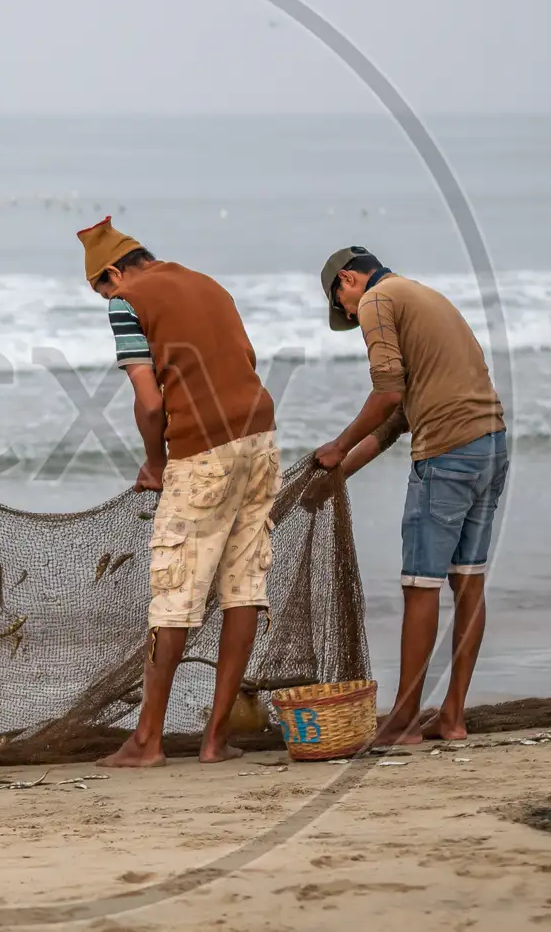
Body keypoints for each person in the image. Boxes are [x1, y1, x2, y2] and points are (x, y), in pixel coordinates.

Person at [79, 216, 280, 767]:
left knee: (174, 591)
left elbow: (149, 403)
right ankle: (214, 740)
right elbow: (245, 363)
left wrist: (156, 462)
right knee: (243, 585)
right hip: (261, 437)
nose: (107, 299)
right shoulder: (208, 284)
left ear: (114, 272)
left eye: (103, 288)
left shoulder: (128, 299)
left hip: (202, 451)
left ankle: (147, 741)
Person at [312, 246, 507, 745]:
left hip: (445, 453)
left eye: (345, 308)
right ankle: (453, 718)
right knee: (468, 583)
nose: (353, 319)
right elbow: (400, 418)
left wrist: (336, 444)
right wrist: (341, 471)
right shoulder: (422, 295)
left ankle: (402, 721)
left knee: (420, 586)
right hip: (490, 445)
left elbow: (387, 394)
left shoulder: (379, 300)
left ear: (350, 280)